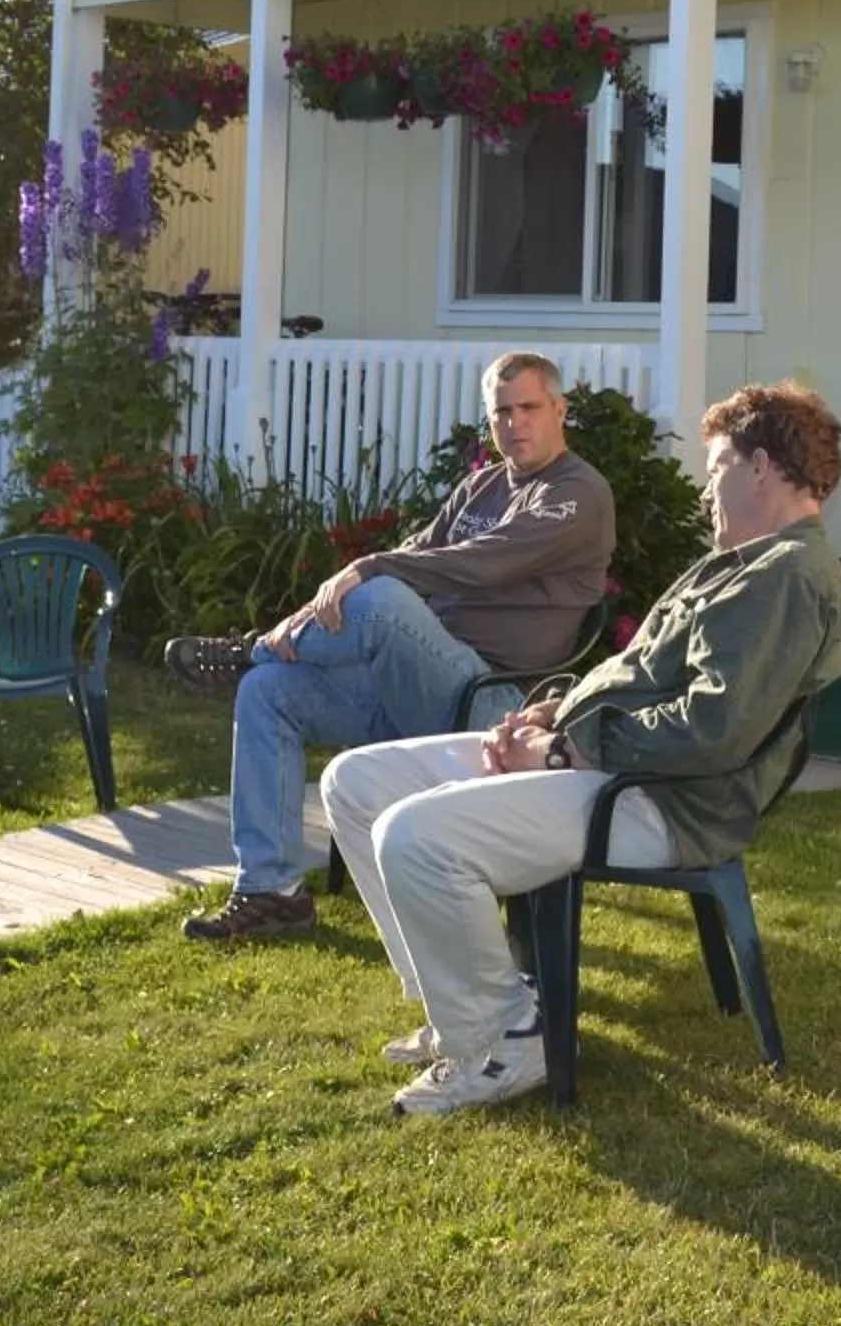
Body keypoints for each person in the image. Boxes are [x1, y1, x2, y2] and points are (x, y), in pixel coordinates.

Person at [320, 381, 841, 1117]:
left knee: (413, 836)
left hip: (661, 803)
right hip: (611, 768)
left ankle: (508, 1039)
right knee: (356, 782)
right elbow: (639, 673)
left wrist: (564, 751)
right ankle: (467, 1008)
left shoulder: (786, 577)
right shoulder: (737, 560)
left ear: (760, 466)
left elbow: (711, 731)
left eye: (718, 467)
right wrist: (552, 710)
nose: (707, 489)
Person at [163, 351, 615, 941]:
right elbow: (418, 548)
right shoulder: (481, 485)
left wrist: (366, 568)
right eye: (502, 411)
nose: (515, 423)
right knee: (268, 691)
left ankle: (250, 649)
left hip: (495, 705)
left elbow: (483, 563)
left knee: (381, 598)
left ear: (560, 410)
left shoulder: (577, 492)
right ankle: (272, 890)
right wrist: (312, 610)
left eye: (530, 408)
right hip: (418, 682)